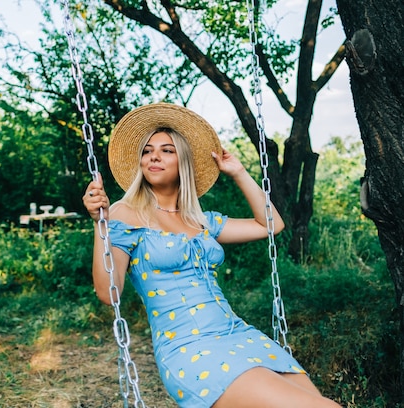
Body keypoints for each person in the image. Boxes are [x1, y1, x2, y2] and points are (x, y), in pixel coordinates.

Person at [82, 103, 339, 408]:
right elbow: (108, 293)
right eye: (148, 150)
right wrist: (102, 224)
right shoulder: (126, 214)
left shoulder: (201, 220)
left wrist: (239, 172)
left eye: (167, 150)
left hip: (239, 334)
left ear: (184, 163)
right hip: (190, 348)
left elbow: (271, 224)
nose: (154, 156)